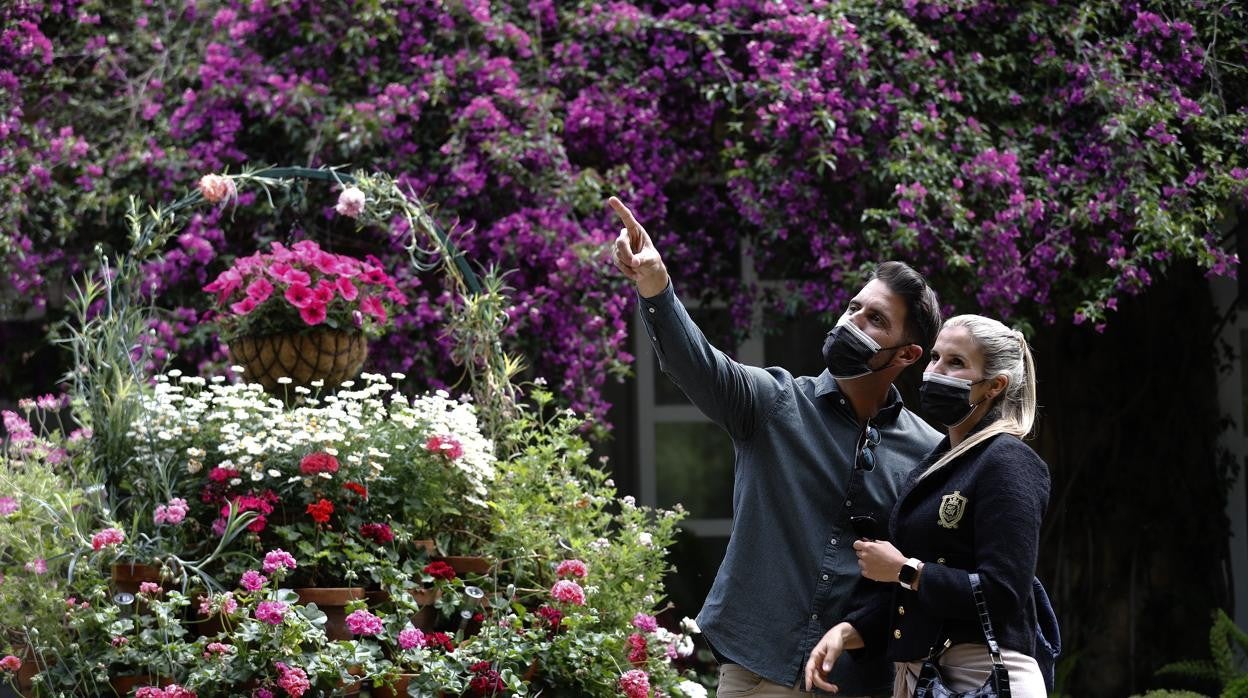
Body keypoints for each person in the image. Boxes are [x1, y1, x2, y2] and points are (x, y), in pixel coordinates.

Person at [608, 196, 943, 697]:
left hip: (851, 680)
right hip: (754, 667)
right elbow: (697, 365)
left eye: (876, 320)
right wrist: (655, 285)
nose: (853, 323)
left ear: (908, 354)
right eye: (853, 308)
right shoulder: (774, 402)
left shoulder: (928, 451)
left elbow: (922, 574)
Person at [803, 314, 1051, 697]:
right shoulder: (937, 462)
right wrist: (847, 631)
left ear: (994, 386)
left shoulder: (1008, 460)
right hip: (928, 677)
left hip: (981, 677)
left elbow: (1003, 592)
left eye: (956, 363)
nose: (935, 371)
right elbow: (912, 593)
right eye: (934, 357)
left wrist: (906, 571)